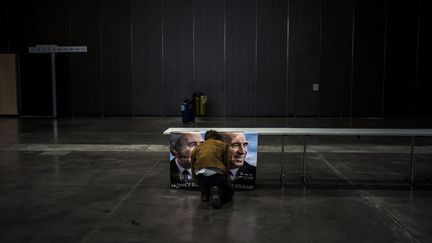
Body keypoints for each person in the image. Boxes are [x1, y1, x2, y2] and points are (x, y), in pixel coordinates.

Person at [191, 130, 234, 209]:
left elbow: (193, 168)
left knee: (205, 180)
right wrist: (225, 179)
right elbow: (226, 164)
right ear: (218, 138)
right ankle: (219, 200)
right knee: (229, 192)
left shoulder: (197, 148)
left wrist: (199, 183)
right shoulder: (223, 145)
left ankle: (205, 194)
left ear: (206, 138)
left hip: (200, 176)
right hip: (216, 175)